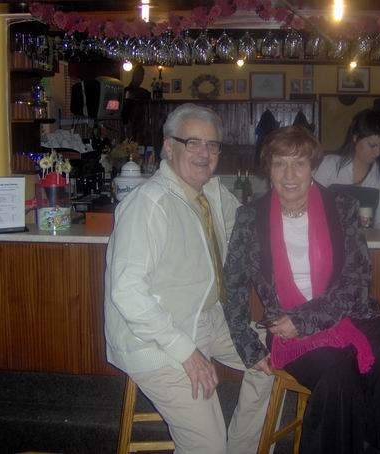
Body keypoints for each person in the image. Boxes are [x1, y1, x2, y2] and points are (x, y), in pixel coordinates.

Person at [223, 125, 380, 454]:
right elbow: (233, 286)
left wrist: (307, 319)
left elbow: (358, 279)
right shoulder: (250, 217)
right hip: (288, 328)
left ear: (313, 166)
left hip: (351, 315)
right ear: (268, 169)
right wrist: (248, 345)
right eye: (280, 163)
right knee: (338, 379)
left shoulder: (341, 206)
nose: (289, 174)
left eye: (299, 163)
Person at [104, 103, 274, 454]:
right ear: (169, 147)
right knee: (207, 447)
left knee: (274, 357)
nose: (204, 154)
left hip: (206, 318)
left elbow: (247, 230)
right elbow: (127, 292)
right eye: (193, 143)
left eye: (212, 145)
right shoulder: (148, 205)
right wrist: (186, 352)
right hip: (156, 340)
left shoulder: (212, 192)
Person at [314, 109, 380, 229]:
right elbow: (313, 208)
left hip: (367, 239)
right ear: (355, 137)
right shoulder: (330, 165)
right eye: (372, 145)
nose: (377, 152)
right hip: (330, 237)